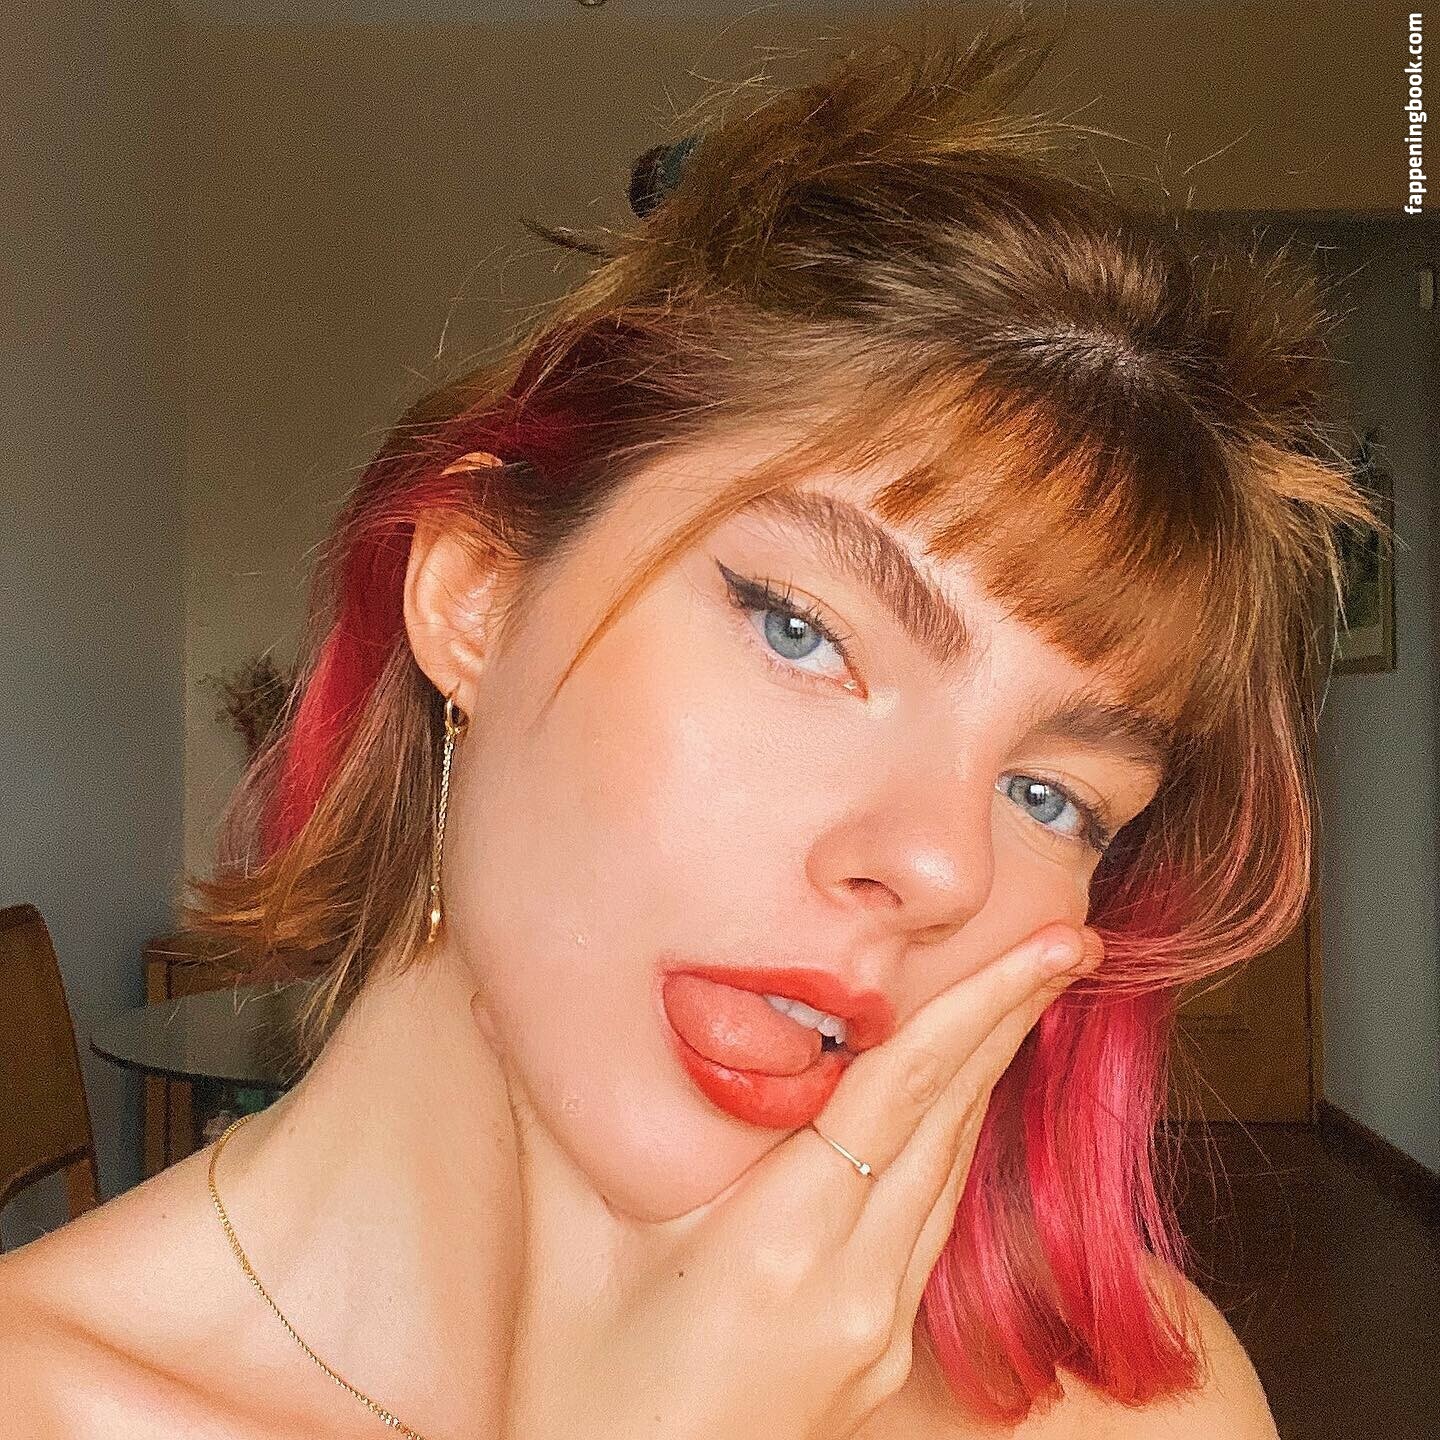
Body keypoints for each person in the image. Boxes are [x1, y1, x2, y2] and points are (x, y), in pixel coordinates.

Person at [0, 12, 1377, 1438]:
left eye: (1053, 797)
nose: (940, 868)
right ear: (476, 595)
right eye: (802, 631)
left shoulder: (1144, 1405)